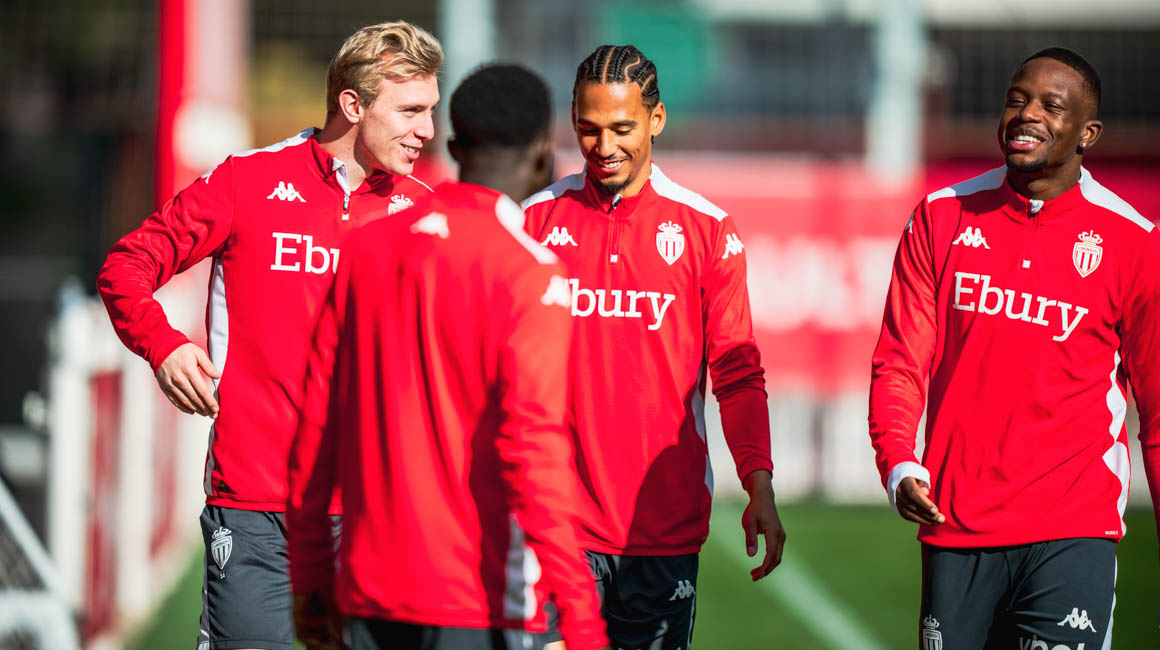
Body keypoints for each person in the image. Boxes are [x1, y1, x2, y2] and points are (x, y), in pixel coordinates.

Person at [96, 21, 442, 650]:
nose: (427, 130)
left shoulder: (427, 214)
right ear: (353, 105)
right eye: (411, 111)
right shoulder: (247, 181)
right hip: (256, 505)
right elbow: (126, 267)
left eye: (431, 111)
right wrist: (164, 345)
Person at [286, 63, 610, 650]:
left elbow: (317, 424)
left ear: (455, 147)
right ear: (544, 154)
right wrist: (583, 621)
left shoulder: (365, 248)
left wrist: (309, 573)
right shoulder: (532, 272)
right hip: (478, 600)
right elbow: (533, 449)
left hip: (369, 592)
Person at [869, 47, 1160, 649]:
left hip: (1074, 528)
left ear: (1088, 133)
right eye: (1016, 100)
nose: (1027, 114)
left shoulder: (1134, 242)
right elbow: (901, 360)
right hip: (956, 526)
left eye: (1051, 106)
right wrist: (898, 460)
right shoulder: (941, 217)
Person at [521, 44, 786, 649]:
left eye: (622, 128)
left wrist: (759, 484)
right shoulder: (535, 222)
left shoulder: (706, 229)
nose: (603, 146)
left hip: (663, 532)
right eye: (588, 128)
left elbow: (738, 375)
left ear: (656, 119)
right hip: (556, 527)